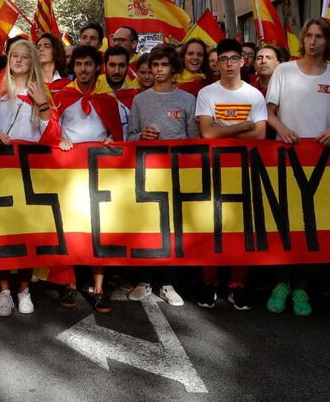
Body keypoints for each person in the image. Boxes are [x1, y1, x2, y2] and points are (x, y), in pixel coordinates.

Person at [265, 18, 330, 316]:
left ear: (328, 42)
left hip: (321, 162)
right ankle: (281, 283)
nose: (312, 41)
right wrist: (282, 129)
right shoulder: (284, 70)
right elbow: (269, 111)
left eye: (319, 36)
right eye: (309, 36)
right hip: (286, 158)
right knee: (284, 220)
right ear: (302, 39)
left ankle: (301, 287)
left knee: (311, 224)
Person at [193, 39, 267, 311]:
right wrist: (243, 126)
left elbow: (260, 135)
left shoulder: (254, 95)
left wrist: (225, 130)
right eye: (223, 59)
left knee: (243, 227)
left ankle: (237, 284)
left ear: (243, 61)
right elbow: (207, 133)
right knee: (210, 226)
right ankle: (209, 282)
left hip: (245, 169)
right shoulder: (207, 93)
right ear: (217, 64)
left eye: (234, 58)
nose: (229, 64)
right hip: (213, 167)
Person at [0, 39, 57, 317]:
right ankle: (4, 290)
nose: (18, 60)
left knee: (28, 231)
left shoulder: (41, 91)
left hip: (31, 170)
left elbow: (51, 134)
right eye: (14, 56)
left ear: (32, 62)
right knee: (3, 231)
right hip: (1, 169)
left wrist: (42, 104)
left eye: (24, 57)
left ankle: (24, 289)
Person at [54, 44, 125, 313]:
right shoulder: (61, 96)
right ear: (73, 67)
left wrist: (111, 139)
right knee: (69, 227)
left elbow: (116, 133)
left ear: (97, 68)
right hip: (68, 173)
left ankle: (99, 288)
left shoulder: (108, 99)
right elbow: (52, 130)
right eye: (79, 64)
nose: (83, 69)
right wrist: (58, 140)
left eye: (88, 64)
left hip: (99, 172)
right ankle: (68, 283)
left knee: (99, 228)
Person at [126, 44, 198, 308]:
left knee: (173, 228)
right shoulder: (140, 100)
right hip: (146, 172)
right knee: (147, 226)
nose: (158, 70)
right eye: (155, 65)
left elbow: (194, 139)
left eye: (164, 65)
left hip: (177, 173)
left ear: (174, 68)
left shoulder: (188, 100)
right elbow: (130, 136)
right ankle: (144, 280)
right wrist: (141, 136)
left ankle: (167, 283)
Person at [103, 45, 139, 110]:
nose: (117, 71)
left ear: (128, 67)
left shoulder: (135, 93)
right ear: (105, 66)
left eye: (122, 66)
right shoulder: (94, 89)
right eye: (112, 65)